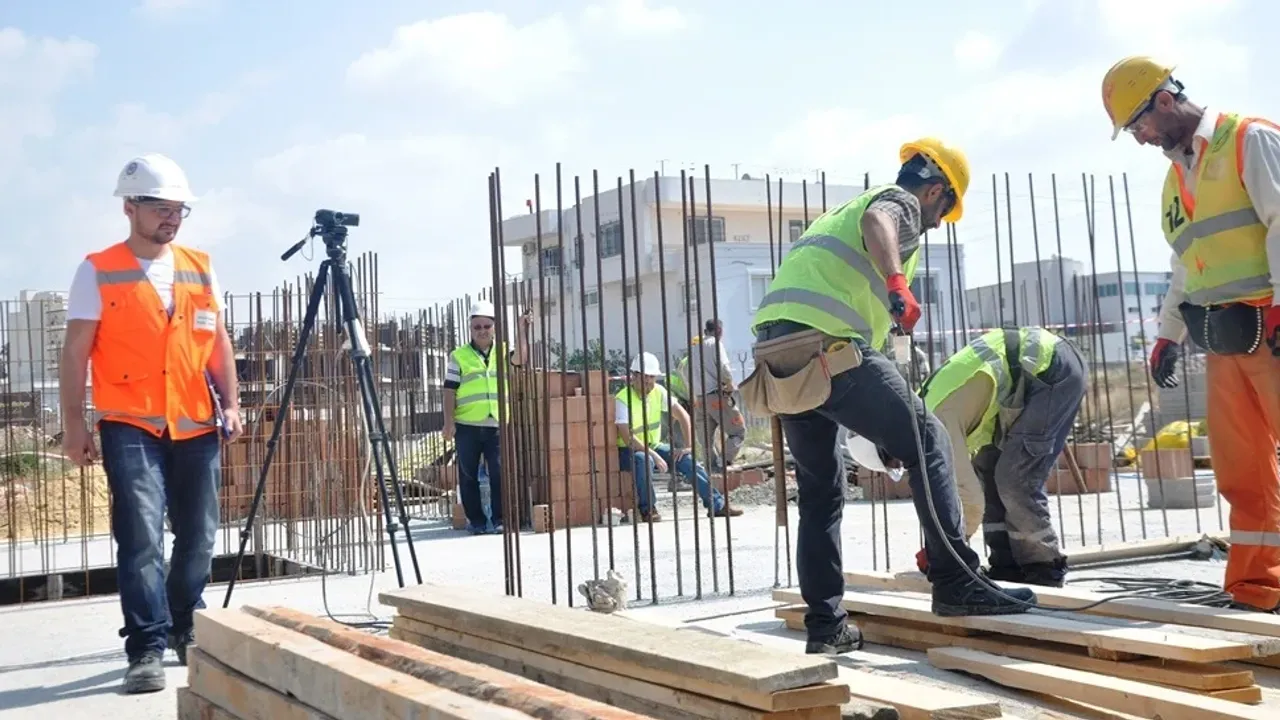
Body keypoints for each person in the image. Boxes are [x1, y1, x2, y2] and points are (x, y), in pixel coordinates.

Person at [742, 137, 1036, 656]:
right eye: (945, 209)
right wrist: (899, 282)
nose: (940, 222)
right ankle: (956, 582)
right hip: (825, 343)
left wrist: (881, 426)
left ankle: (826, 625)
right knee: (930, 438)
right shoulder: (894, 203)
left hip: (780, 351)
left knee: (821, 493)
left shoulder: (834, 219)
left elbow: (869, 347)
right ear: (936, 190)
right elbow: (880, 219)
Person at [59, 153, 245, 694]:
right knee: (140, 536)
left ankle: (185, 622)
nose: (171, 218)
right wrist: (75, 426)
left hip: (194, 422)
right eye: (160, 208)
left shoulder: (199, 265)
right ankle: (145, 645)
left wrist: (230, 403)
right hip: (129, 423)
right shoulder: (98, 269)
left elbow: (217, 343)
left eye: (178, 210)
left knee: (200, 534)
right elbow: (75, 353)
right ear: (129, 208)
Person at [1103, 56, 1280, 612]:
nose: (1140, 139)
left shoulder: (1248, 140)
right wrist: (1168, 333)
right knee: (1243, 470)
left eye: (1139, 125)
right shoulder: (1175, 179)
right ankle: (1260, 585)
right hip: (1226, 341)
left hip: (1271, 327)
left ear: (1163, 101)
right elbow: (1188, 262)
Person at [918, 327, 1086, 588]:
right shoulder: (922, 409)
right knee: (988, 466)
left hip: (1050, 369)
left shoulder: (935, 422)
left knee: (1015, 476)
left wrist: (944, 551)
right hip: (1022, 377)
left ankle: (1043, 564)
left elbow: (969, 500)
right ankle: (1006, 563)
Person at [615, 352, 744, 522]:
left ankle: (717, 505)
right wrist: (653, 455)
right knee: (644, 459)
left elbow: (684, 416)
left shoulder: (658, 392)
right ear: (634, 376)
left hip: (653, 446)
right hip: (628, 450)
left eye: (651, 377)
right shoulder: (623, 398)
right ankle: (648, 509)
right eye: (644, 377)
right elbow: (626, 436)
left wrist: (688, 447)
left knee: (686, 460)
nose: (648, 382)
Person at [443, 301, 530, 535]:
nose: (482, 330)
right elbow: (449, 389)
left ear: (494, 327)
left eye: (486, 325)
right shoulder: (459, 356)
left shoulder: (503, 351)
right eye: (477, 326)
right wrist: (449, 422)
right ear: (471, 329)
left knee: (500, 472)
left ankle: (501, 519)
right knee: (468, 474)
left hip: (496, 423)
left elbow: (521, 359)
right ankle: (478, 522)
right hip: (467, 424)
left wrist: (521, 329)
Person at [688, 318, 747, 471]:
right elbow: (725, 369)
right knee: (738, 432)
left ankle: (712, 470)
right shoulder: (715, 344)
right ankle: (724, 461)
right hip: (716, 397)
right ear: (719, 331)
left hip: (699, 400)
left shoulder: (694, 348)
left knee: (706, 441)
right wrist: (728, 385)